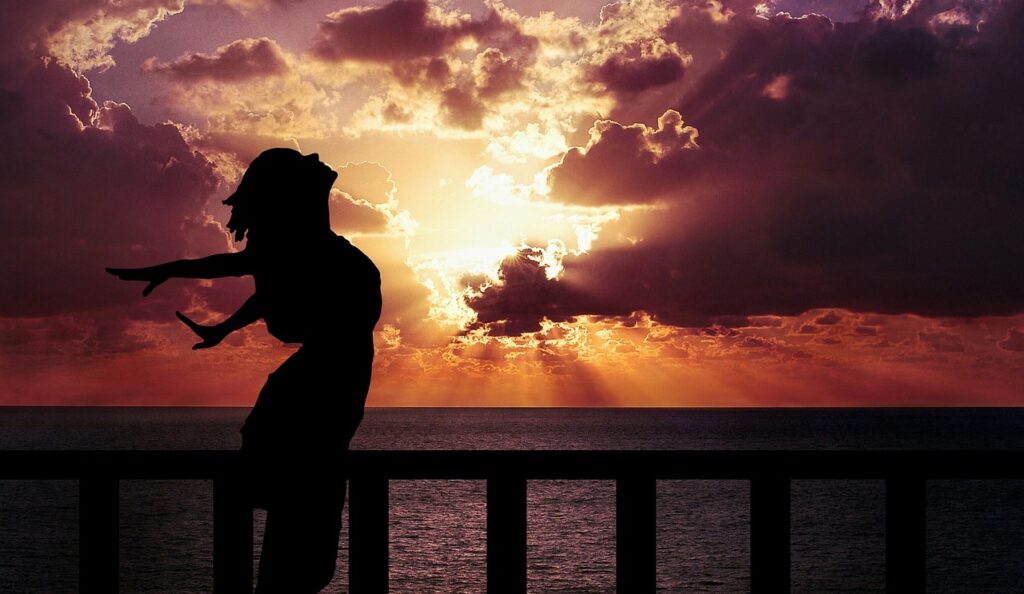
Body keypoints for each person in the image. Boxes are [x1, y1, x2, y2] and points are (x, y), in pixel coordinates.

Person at [108, 148, 382, 593]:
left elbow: (239, 268)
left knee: (292, 441)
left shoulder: (304, 244)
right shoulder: (304, 249)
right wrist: (223, 330)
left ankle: (288, 543)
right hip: (336, 358)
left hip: (337, 360)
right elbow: (266, 285)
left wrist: (171, 269)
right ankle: (288, 535)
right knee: (296, 451)